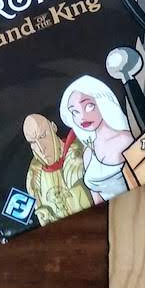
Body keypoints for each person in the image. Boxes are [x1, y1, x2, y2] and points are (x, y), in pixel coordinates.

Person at [59, 75, 133, 204]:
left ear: (102, 102)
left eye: (89, 106)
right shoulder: (88, 154)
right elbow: (97, 199)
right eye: (75, 112)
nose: (82, 117)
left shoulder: (125, 140)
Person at [22, 114, 92, 224]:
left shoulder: (83, 149)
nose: (41, 148)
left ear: (53, 127)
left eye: (42, 136)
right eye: (33, 142)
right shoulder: (34, 178)